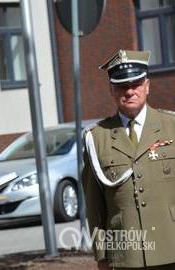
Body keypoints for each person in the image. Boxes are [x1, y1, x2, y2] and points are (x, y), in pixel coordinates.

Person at [83, 49, 175, 270]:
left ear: (147, 86)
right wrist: (102, 256)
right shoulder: (97, 137)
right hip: (126, 255)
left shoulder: (171, 126)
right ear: (112, 91)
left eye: (136, 84)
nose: (130, 91)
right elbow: (95, 206)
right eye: (122, 86)